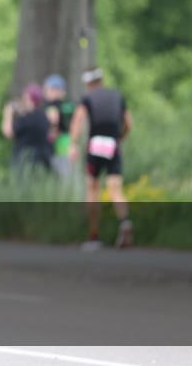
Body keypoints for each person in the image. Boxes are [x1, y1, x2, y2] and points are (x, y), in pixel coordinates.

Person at [69, 68, 133, 250]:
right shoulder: (117, 96)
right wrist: (120, 138)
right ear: (101, 79)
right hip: (113, 145)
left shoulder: (88, 98)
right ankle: (125, 221)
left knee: (92, 188)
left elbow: (78, 120)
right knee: (115, 188)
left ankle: (94, 235)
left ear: (88, 83)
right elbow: (129, 123)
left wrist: (73, 144)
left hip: (96, 145)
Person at [1, 83, 54, 173]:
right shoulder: (43, 116)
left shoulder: (26, 119)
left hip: (25, 161)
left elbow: (8, 132)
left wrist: (8, 113)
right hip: (42, 160)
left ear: (28, 98)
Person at [43, 74, 76, 178]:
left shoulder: (52, 106)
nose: (45, 93)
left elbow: (54, 124)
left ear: (55, 90)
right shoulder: (70, 105)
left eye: (47, 89)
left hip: (56, 147)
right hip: (68, 144)